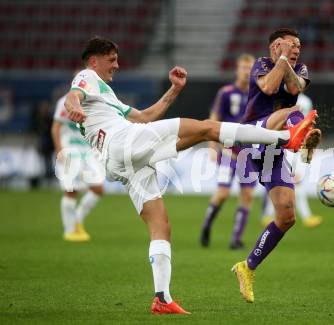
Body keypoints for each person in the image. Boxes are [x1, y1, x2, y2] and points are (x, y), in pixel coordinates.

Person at [65, 37, 317, 315]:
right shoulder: (86, 76)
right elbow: (73, 94)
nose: (116, 64)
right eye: (111, 59)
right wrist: (74, 104)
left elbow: (145, 117)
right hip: (123, 142)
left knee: (160, 224)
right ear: (93, 61)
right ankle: (285, 138)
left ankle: (162, 298)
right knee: (207, 128)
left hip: (118, 161)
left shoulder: (106, 95)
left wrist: (174, 90)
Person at [231, 28, 322, 303]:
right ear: (276, 45)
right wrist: (281, 59)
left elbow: (294, 87)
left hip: (274, 147)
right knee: (295, 112)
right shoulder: (262, 64)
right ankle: (302, 138)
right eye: (292, 45)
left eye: (299, 46)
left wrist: (288, 62)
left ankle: (246, 267)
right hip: (252, 134)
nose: (297, 49)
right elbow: (269, 88)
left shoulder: (300, 68)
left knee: (286, 215)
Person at [200, 54, 257, 250]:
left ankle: (236, 239)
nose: (247, 71)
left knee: (248, 195)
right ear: (237, 69)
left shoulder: (258, 94)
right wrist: (212, 147)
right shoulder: (226, 93)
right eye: (243, 67)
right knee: (223, 193)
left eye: (250, 68)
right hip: (228, 153)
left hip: (250, 155)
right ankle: (207, 224)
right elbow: (214, 118)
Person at [260, 93, 323, 229]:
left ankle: (269, 215)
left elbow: (308, 124)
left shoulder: (306, 101)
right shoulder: (281, 99)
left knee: (294, 180)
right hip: (284, 143)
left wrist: (311, 144)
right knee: (283, 181)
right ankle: (270, 215)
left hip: (300, 145)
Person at [51, 83, 104, 242]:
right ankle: (69, 231)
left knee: (98, 189)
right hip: (70, 152)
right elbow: (56, 127)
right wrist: (59, 149)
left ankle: (77, 220)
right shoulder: (64, 102)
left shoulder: (93, 103)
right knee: (71, 190)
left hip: (87, 153)